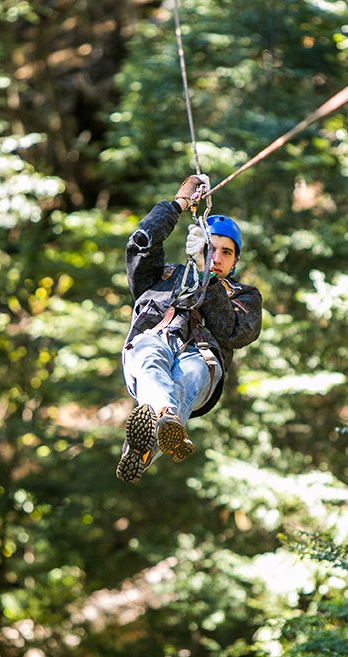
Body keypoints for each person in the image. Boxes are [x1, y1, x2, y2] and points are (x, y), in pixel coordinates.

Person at [116, 175, 263, 483]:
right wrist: (178, 203)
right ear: (197, 243)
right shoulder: (165, 276)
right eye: (212, 248)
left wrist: (205, 277)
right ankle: (161, 427)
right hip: (153, 338)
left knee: (191, 373)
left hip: (203, 359)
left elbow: (233, 333)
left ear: (236, 260)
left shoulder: (243, 295)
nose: (217, 257)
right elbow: (141, 242)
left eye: (226, 252)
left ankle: (153, 431)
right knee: (150, 356)